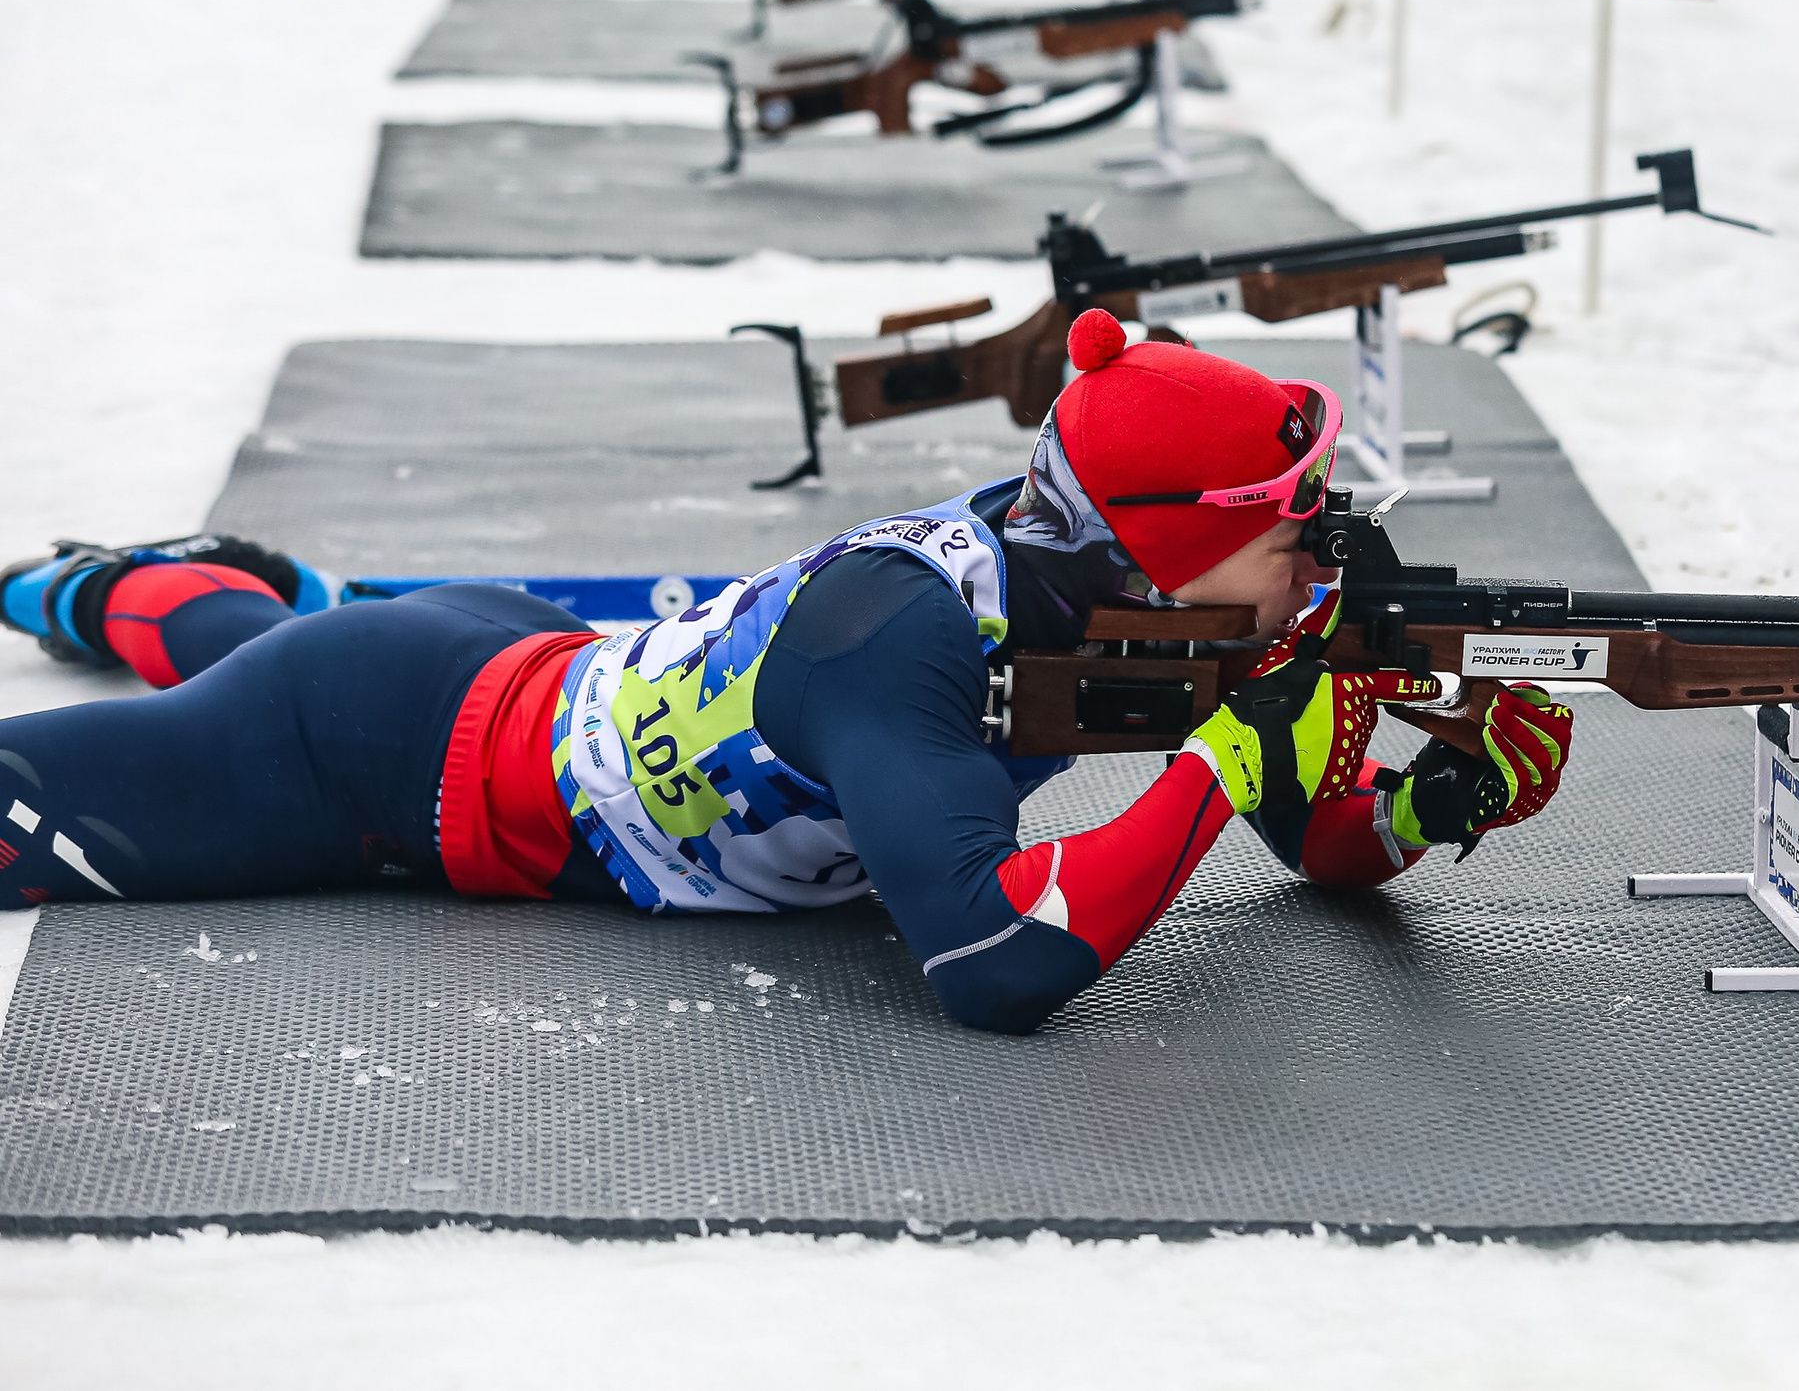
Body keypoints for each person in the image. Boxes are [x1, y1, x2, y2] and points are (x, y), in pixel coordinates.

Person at [0, 311, 1574, 1033]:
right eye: (1290, 521)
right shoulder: (903, 641)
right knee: (49, 809)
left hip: (503, 653)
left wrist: (1443, 796)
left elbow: (1311, 833)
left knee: (244, 643)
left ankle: (141, 586)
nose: (1324, 544)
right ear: (1164, 552)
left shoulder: (1127, 593)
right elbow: (995, 970)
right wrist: (1225, 757)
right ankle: (110, 588)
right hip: (389, 747)